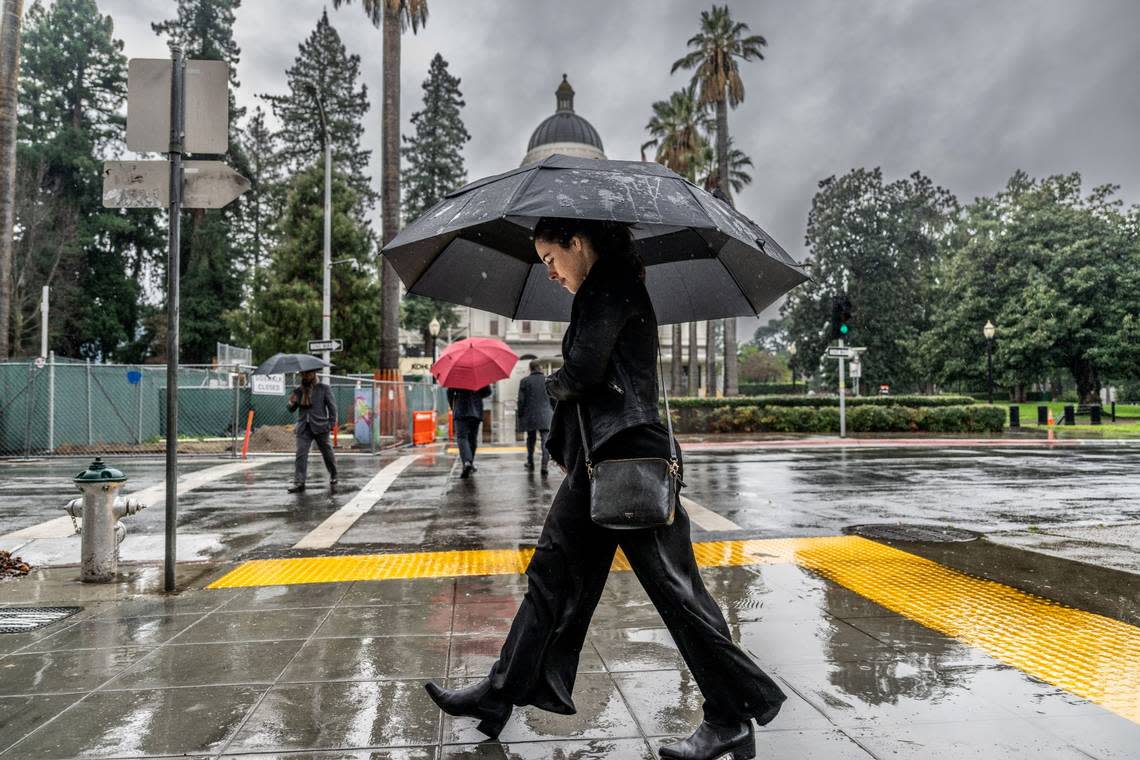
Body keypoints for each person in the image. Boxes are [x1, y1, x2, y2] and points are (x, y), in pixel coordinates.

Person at [424, 218, 785, 760]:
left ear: (578, 242)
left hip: (629, 458)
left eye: (551, 258)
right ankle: (499, 694)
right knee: (551, 574)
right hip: (601, 459)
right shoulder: (604, 286)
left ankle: (732, 715)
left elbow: (586, 370)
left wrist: (552, 382)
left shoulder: (610, 283)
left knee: (673, 587)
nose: (548, 272)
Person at [286, 369, 338, 493]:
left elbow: (332, 407)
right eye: (303, 374)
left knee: (327, 453)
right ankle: (299, 482)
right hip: (304, 427)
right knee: (301, 454)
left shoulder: (323, 388)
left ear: (314, 373)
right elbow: (291, 409)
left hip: (321, 427)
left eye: (308, 373)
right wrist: (291, 402)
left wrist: (330, 424)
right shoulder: (298, 391)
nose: (305, 376)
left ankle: (334, 474)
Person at [516, 360, 553, 474]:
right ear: (540, 368)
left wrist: (520, 414)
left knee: (530, 439)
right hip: (546, 414)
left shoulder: (525, 381)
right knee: (545, 440)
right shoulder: (548, 380)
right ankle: (544, 465)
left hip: (530, 414)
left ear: (530, 369)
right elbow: (554, 398)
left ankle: (530, 461)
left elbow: (521, 401)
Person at [448, 385, 492, 478]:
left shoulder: (456, 375)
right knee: (472, 438)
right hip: (476, 410)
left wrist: (452, 406)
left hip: (461, 409)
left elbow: (449, 392)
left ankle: (467, 462)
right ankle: (470, 463)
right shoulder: (479, 374)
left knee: (462, 437)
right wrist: (476, 394)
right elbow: (488, 392)